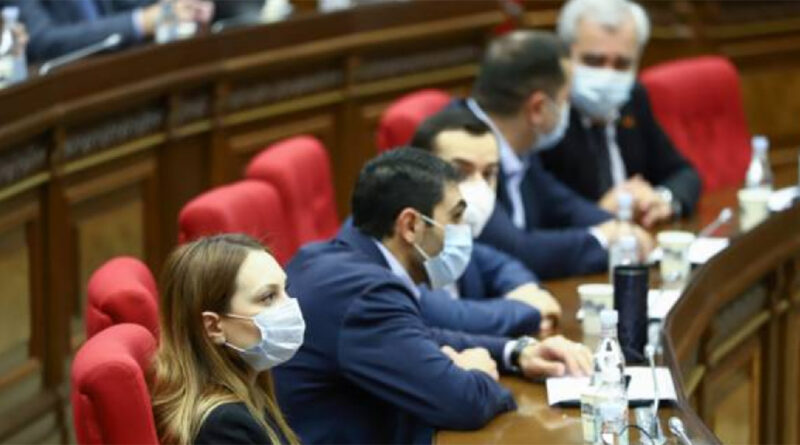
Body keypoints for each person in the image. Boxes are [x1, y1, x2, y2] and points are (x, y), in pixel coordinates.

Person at [274, 148, 592, 444]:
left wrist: (516, 352)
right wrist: (477, 372)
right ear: (411, 225)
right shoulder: (366, 293)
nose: (464, 230)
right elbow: (464, 403)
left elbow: (421, 334)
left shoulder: (334, 260)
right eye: (455, 217)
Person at [455, 30, 654, 279]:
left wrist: (621, 228)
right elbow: (516, 251)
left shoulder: (517, 142)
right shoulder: (461, 151)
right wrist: (603, 238)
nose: (566, 109)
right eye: (565, 99)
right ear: (537, 108)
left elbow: (561, 204)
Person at [540, 0, 701, 227]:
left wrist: (662, 200)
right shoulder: (546, 117)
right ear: (565, 58)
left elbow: (684, 173)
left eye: (622, 64)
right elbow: (540, 217)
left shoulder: (633, 97)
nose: (608, 75)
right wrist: (599, 213)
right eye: (594, 61)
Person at [150, 234, 300, 444]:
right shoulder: (223, 426)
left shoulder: (251, 388)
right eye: (268, 297)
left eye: (285, 289)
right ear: (214, 326)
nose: (290, 306)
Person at [16, 0, 213, 63]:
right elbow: (43, 40)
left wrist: (181, 7)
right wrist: (141, 21)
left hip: (119, 73)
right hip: (61, 93)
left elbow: (130, 5)